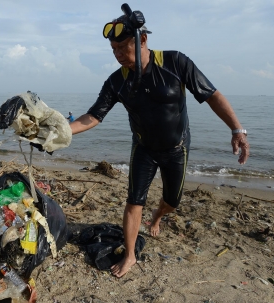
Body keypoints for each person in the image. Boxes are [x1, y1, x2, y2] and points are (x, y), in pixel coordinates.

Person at [69, 14, 249, 278]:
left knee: (172, 202)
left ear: (142, 39)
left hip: (177, 148)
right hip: (143, 148)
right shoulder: (116, 81)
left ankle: (158, 217)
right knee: (134, 201)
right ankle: (130, 255)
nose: (117, 54)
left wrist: (237, 129)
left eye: (123, 47)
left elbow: (212, 95)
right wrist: (61, 131)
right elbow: (93, 116)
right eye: (114, 49)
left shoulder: (175, 62)